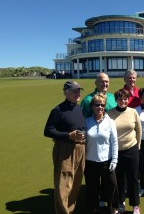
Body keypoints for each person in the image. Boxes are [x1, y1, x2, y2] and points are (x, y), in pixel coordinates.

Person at [44, 81, 86, 214]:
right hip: (64, 150)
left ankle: (70, 210)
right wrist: (69, 135)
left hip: (80, 149)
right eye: (74, 91)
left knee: (76, 184)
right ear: (66, 92)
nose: (78, 93)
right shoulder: (58, 110)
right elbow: (48, 131)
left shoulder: (79, 108)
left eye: (79, 91)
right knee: (63, 185)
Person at [108, 89, 142, 214]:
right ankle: (120, 202)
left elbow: (138, 129)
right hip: (116, 151)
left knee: (133, 178)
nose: (123, 101)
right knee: (119, 178)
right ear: (116, 100)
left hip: (132, 149)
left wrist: (138, 145)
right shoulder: (110, 113)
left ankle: (135, 205)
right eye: (120, 99)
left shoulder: (133, 112)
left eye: (125, 99)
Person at [84, 93, 119, 214]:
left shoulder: (110, 122)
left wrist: (114, 160)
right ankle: (94, 208)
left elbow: (114, 142)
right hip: (90, 162)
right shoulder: (87, 122)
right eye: (97, 105)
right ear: (92, 106)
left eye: (102, 105)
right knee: (92, 188)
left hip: (107, 161)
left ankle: (113, 208)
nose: (100, 107)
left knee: (112, 186)